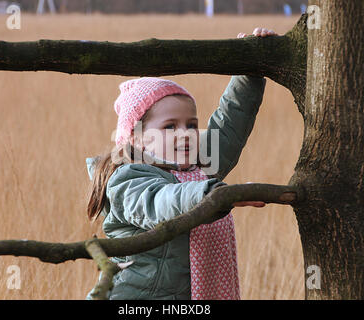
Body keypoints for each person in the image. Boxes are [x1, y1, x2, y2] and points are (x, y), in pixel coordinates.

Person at [85, 28, 277, 300]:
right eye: (170, 126)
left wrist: (250, 70)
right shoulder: (127, 178)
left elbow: (229, 125)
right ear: (137, 139)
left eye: (191, 124)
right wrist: (217, 195)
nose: (185, 133)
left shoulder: (197, 170)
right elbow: (162, 201)